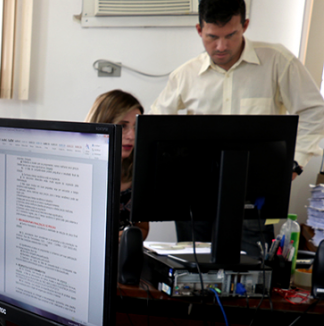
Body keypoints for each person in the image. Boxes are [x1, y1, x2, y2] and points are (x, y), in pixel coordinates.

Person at [150, 0, 324, 257]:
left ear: (245, 26)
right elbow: (155, 127)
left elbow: (315, 111)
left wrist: (294, 162)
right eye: (212, 37)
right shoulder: (185, 75)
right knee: (192, 266)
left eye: (230, 35)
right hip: (196, 191)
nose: (221, 46)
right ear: (199, 30)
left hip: (254, 191)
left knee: (252, 268)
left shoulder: (277, 61)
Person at [85, 89, 150, 240]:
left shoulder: (138, 171)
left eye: (135, 127)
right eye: (123, 126)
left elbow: (142, 228)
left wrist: (125, 238)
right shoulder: (80, 172)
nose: (131, 136)